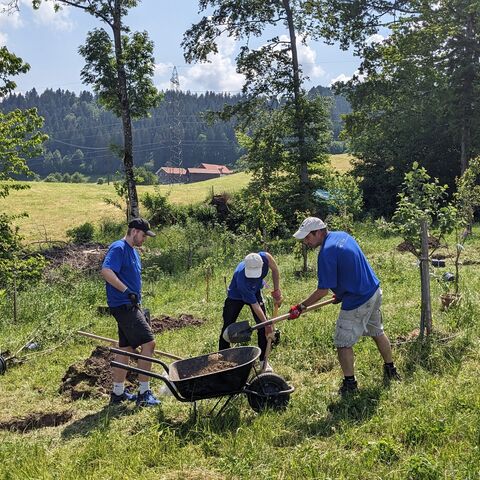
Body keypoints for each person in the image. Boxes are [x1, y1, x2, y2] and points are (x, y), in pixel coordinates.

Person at [289, 217, 400, 396]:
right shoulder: (342, 236)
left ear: (318, 232)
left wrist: (301, 307)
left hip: (358, 300)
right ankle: (391, 369)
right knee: (377, 332)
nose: (305, 241)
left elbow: (322, 291)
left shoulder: (326, 252)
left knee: (342, 343)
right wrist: (341, 294)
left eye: (307, 237)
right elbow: (350, 268)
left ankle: (350, 384)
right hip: (373, 291)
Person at [101, 217, 160, 407]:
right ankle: (144, 393)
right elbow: (106, 271)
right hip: (123, 305)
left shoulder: (133, 252)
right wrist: (126, 291)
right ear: (134, 231)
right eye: (143, 235)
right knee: (149, 344)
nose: (144, 239)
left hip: (130, 305)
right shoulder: (118, 248)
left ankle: (117, 393)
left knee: (125, 349)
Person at [219, 252, 282, 372]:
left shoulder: (267, 258)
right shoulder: (241, 277)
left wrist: (277, 290)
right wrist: (267, 324)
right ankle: (222, 359)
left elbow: (275, 270)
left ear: (262, 265)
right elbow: (255, 305)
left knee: (262, 327)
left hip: (255, 291)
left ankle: (264, 362)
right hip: (235, 296)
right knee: (227, 326)